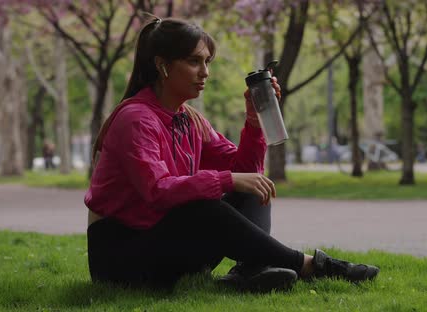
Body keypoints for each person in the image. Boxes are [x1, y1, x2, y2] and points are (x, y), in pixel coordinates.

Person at [84, 17, 379, 292]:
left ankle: (251, 269)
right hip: (122, 258)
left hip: (164, 242)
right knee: (205, 204)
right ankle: (312, 266)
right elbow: (157, 191)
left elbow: (245, 169)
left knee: (251, 187)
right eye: (194, 61)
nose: (205, 72)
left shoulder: (188, 119)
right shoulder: (136, 119)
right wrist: (226, 180)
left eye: (207, 61)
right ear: (162, 66)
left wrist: (254, 122)